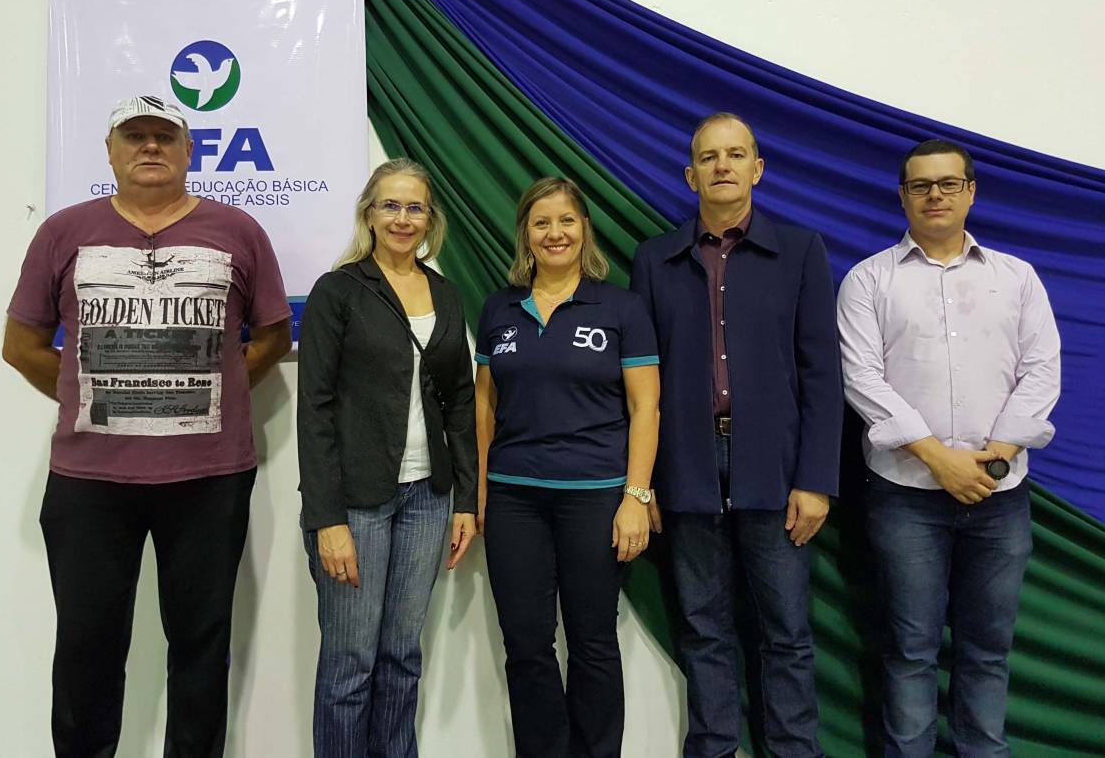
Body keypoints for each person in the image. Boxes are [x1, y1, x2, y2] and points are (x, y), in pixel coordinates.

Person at [2, 95, 292, 757]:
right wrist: (89, 394)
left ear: (190, 151)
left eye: (165, 136)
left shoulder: (239, 231)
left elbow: (272, 338)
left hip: (210, 478)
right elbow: (21, 346)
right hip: (89, 482)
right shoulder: (63, 232)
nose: (150, 147)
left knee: (201, 644)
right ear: (110, 152)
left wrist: (207, 387)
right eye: (135, 136)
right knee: (86, 646)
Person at [837, 139, 1061, 756]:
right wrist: (940, 459)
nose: (934, 195)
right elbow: (862, 379)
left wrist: (992, 459)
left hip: (999, 496)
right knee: (909, 650)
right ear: (903, 196)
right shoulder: (868, 280)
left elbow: (1042, 371)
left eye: (948, 184)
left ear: (971, 192)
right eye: (921, 185)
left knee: (987, 651)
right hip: (905, 497)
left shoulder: (1017, 278)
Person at [630, 113, 842, 758]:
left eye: (736, 154)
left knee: (786, 633)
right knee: (703, 630)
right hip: (687, 467)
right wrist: (645, 483)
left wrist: (815, 479)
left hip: (774, 469)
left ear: (758, 168)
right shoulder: (655, 260)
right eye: (709, 157)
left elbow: (822, 373)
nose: (722, 166)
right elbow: (641, 384)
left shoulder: (800, 252)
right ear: (690, 175)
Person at [297, 158, 478, 758]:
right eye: (390, 206)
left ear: (430, 218)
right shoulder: (339, 290)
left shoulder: (445, 293)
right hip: (355, 504)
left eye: (414, 207)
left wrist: (466, 500)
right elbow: (314, 408)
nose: (403, 218)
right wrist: (327, 520)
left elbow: (459, 402)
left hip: (428, 497)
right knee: (350, 664)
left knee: (402, 657)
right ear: (369, 215)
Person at [474, 177, 660, 758]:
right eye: (541, 223)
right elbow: (484, 405)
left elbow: (646, 407)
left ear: (584, 229)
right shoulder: (499, 307)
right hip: (513, 500)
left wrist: (636, 496)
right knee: (527, 647)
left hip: (595, 497)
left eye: (566, 221)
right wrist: (480, 493)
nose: (555, 233)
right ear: (525, 235)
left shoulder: (622, 307)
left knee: (593, 644)